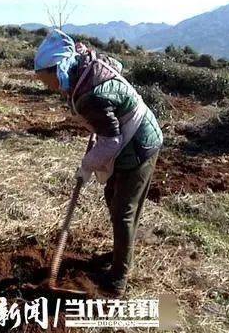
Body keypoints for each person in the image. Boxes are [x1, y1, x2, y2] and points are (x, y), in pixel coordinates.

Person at [34, 30, 163, 297]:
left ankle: (118, 279)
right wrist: (102, 124)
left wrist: (87, 165)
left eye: (47, 80)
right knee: (112, 196)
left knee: (123, 211)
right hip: (128, 135)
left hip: (139, 144)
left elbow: (112, 142)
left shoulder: (89, 97)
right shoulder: (83, 64)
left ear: (58, 69)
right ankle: (121, 249)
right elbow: (117, 67)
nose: (47, 86)